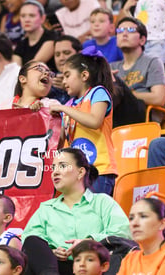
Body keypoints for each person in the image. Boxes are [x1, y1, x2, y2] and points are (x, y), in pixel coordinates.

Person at [21, 148, 130, 275]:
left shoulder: (102, 202)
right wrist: (51, 252)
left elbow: (123, 233)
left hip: (95, 268)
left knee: (116, 255)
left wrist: (89, 242)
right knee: (31, 242)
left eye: (62, 166)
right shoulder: (46, 208)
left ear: (80, 172)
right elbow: (30, 241)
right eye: (53, 168)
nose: (55, 172)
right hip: (57, 268)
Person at [49, 47, 117, 195]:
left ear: (84, 75)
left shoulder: (98, 92)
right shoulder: (68, 104)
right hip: (77, 174)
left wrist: (63, 109)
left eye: (67, 75)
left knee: (93, 216)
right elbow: (59, 142)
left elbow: (94, 121)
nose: (64, 81)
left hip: (100, 169)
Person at [110, 17, 165, 107]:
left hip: (142, 113)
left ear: (142, 40)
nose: (124, 34)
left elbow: (159, 99)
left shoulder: (152, 62)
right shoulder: (111, 67)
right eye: (120, 31)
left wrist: (127, 94)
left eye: (130, 30)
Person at [117, 198, 165, 275]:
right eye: (131, 218)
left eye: (143, 216)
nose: (134, 223)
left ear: (162, 224)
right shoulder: (129, 259)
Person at [118, 0, 165, 70]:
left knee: (155, 72)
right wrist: (126, 10)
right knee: (140, 74)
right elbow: (137, 25)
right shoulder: (140, 2)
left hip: (157, 42)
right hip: (140, 44)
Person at [13, 0, 57, 70]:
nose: (26, 20)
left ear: (42, 18)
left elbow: (35, 64)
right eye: (23, 16)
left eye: (32, 16)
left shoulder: (52, 37)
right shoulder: (21, 43)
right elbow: (16, 69)